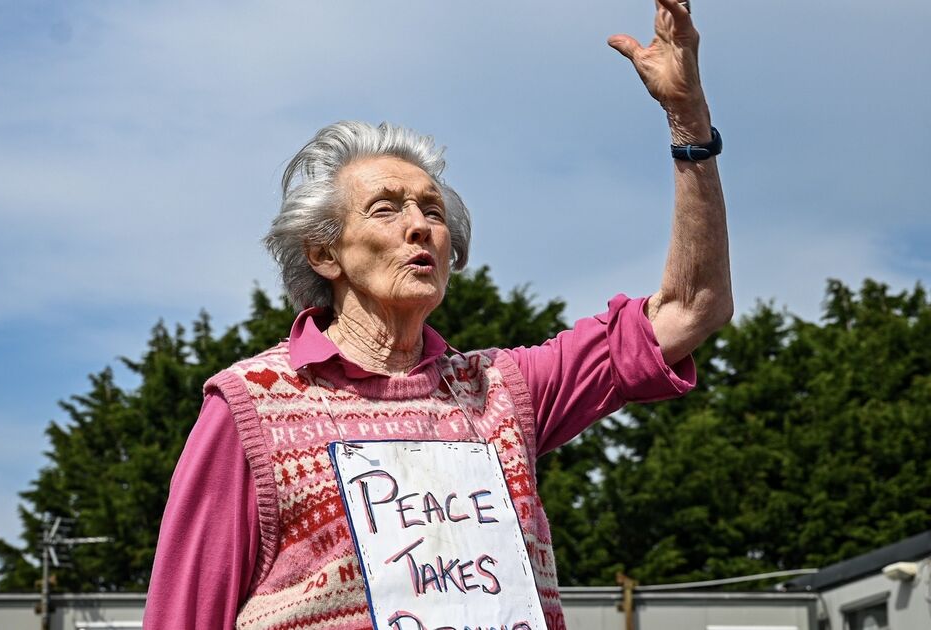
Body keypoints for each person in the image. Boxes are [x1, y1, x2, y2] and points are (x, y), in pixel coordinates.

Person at [145, 1, 732, 628]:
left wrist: (687, 118)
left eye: (432, 211)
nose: (420, 226)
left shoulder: (504, 392)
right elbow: (183, 614)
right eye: (385, 209)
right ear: (324, 254)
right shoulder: (250, 407)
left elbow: (691, 309)